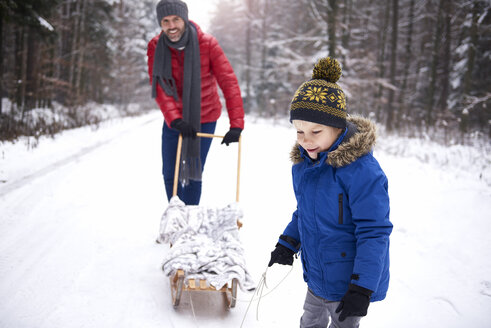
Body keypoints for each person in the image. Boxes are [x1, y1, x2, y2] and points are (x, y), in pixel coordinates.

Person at [268, 57, 393, 328]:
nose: (305, 140)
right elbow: (306, 212)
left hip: (349, 283)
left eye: (315, 131)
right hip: (317, 274)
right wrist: (288, 242)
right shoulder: (304, 165)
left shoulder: (362, 172)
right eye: (299, 131)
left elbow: (374, 232)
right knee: (309, 322)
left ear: (339, 128)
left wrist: (362, 288)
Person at [147, 0, 244, 205]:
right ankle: (176, 218)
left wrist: (236, 125)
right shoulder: (156, 46)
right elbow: (160, 87)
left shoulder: (207, 44)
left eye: (176, 19)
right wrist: (175, 120)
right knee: (170, 173)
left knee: (192, 172)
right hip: (174, 121)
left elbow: (229, 82)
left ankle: (190, 220)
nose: (171, 26)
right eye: (165, 21)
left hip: (205, 117)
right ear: (160, 23)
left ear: (185, 18)